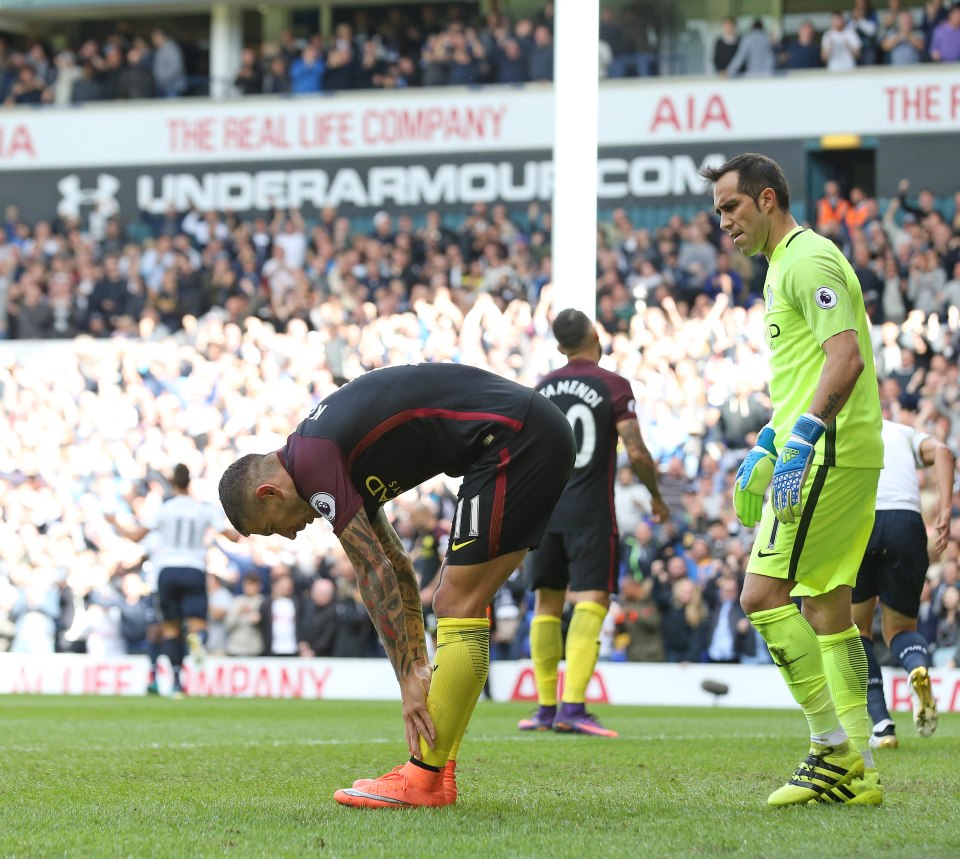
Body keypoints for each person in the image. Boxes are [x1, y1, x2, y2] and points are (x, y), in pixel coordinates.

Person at [218, 362, 575, 809]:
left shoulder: (313, 465)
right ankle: (437, 773)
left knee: (456, 602)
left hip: (512, 439)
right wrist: (419, 664)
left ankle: (422, 779)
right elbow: (397, 563)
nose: (291, 535)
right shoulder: (325, 456)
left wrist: (407, 679)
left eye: (275, 528)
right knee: (463, 601)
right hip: (525, 434)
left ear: (269, 494)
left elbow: (372, 572)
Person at [701, 152, 885, 806]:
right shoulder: (788, 264)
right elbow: (812, 369)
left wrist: (803, 438)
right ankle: (860, 762)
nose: (723, 221)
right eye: (718, 210)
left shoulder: (806, 260)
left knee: (760, 592)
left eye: (732, 207)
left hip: (829, 451)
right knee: (830, 606)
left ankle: (829, 749)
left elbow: (846, 359)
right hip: (831, 446)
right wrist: (771, 439)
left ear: (769, 199)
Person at [517, 309, 669, 737]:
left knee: (546, 603)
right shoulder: (612, 384)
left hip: (544, 512)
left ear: (560, 347)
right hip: (590, 510)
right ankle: (574, 707)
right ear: (596, 336)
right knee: (592, 600)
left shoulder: (543, 388)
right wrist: (655, 496)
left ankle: (546, 708)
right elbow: (636, 451)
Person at [853, 416, 955, 749]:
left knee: (857, 631)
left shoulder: (845, 425)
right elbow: (942, 451)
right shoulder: (901, 432)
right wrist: (944, 509)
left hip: (861, 520)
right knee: (900, 629)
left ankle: (882, 724)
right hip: (907, 522)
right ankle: (916, 669)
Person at [106, 464, 239, 696]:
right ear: (190, 482)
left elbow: (137, 536)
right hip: (194, 569)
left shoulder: (164, 509)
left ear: (172, 482)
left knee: (170, 629)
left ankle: (177, 681)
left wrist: (114, 522)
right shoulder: (203, 509)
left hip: (167, 571)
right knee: (197, 623)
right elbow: (233, 537)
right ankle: (196, 639)